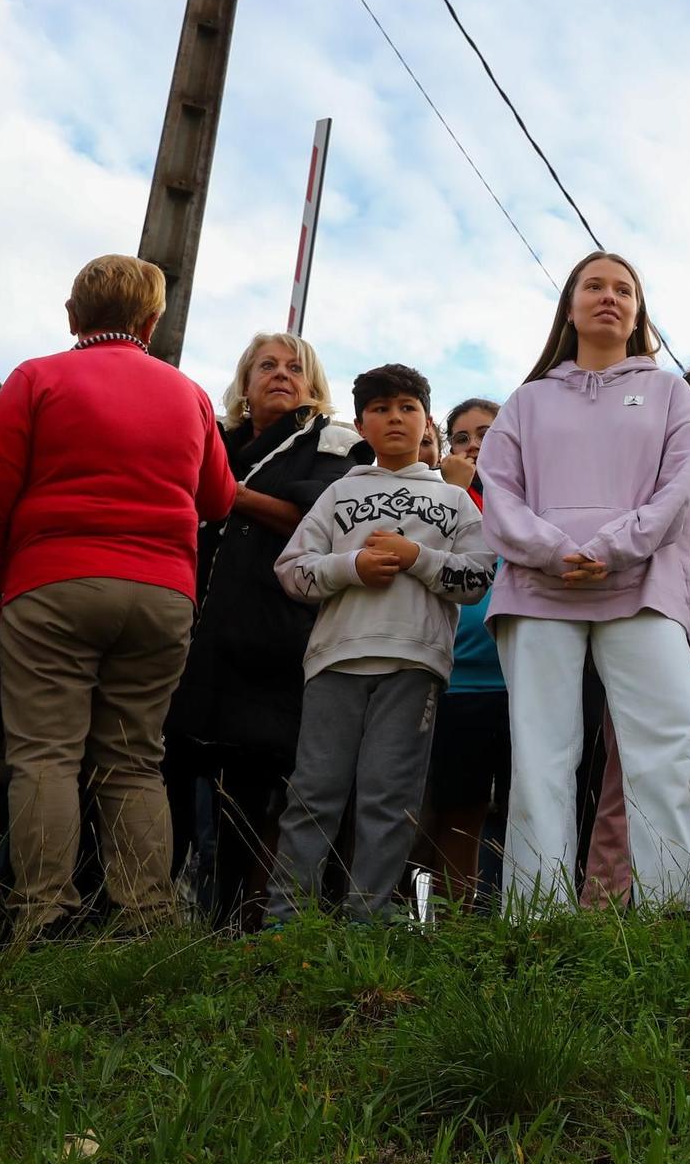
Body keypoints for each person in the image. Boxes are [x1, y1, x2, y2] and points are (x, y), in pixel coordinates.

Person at [0, 255, 235, 941]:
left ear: (73, 315)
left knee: (46, 753)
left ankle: (43, 914)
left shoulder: (36, 378)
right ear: (151, 320)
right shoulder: (189, 394)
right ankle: (145, 915)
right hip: (160, 592)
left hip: (53, 582)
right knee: (132, 757)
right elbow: (218, 497)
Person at [479, 250, 690, 912]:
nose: (609, 296)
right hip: (537, 587)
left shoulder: (672, 392)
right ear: (571, 305)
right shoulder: (526, 401)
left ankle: (683, 910)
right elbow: (497, 492)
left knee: (671, 741)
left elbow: (678, 492)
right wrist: (555, 550)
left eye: (623, 288)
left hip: (641, 585)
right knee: (540, 756)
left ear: (639, 311)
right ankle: (538, 917)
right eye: (594, 285)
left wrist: (612, 547)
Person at [268, 365, 494, 921]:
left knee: (390, 799)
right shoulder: (338, 494)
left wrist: (417, 557)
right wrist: (353, 566)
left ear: (425, 422)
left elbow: (478, 578)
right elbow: (292, 570)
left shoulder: (457, 502)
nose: (395, 417)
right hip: (335, 661)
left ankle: (367, 922)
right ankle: (284, 920)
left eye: (407, 407)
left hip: (415, 665)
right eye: (381, 409)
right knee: (313, 794)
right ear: (361, 425)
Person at [167, 331, 358, 928]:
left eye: (295, 368)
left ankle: (242, 929)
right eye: (266, 366)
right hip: (191, 637)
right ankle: (154, 917)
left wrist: (225, 495)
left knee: (252, 792)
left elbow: (315, 519)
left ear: (312, 385)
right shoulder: (215, 439)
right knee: (168, 770)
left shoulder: (331, 441)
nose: (281, 374)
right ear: (245, 384)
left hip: (271, 639)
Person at [581, 359, 690, 905]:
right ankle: (601, 907)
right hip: (641, 634)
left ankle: (680, 907)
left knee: (688, 774)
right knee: (623, 773)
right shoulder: (645, 468)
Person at [420, 397, 507, 909]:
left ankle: (506, 918)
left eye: (489, 434)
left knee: (519, 805)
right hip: (456, 681)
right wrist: (452, 489)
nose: (474, 445)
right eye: (462, 438)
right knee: (458, 809)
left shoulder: (526, 496)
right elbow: (422, 550)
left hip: (518, 679)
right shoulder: (436, 494)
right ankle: (451, 926)